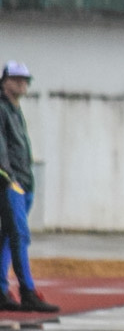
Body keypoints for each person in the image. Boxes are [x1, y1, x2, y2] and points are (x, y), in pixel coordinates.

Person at [0, 60, 58, 313]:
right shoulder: (2, 109)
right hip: (13, 182)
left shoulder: (15, 110)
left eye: (25, 80)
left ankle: (1, 291)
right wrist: (9, 178)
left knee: (7, 238)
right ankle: (28, 291)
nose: (23, 84)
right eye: (17, 79)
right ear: (5, 81)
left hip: (23, 181)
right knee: (20, 235)